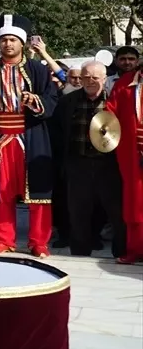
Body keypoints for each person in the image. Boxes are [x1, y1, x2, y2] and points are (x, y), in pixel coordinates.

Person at [0, 14, 58, 257]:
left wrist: (35, 101)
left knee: (38, 191)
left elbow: (52, 99)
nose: (8, 44)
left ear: (22, 43)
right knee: (1, 190)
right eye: (4, 40)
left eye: (12, 40)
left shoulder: (37, 70)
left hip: (30, 135)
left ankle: (38, 241)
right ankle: (4, 239)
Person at [54, 62, 124, 258]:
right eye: (85, 77)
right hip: (78, 164)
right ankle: (80, 254)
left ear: (104, 79)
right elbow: (58, 131)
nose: (90, 81)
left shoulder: (115, 100)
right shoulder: (68, 101)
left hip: (109, 165)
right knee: (78, 213)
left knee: (116, 212)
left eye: (95, 77)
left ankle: (122, 252)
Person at [106, 60, 143, 264]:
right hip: (132, 153)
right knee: (134, 203)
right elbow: (110, 112)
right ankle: (135, 249)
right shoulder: (125, 83)